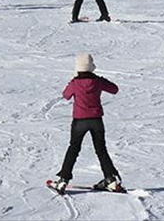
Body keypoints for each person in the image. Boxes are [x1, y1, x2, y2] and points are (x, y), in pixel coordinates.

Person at [48, 53, 122, 194]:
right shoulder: (98, 81)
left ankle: (63, 180)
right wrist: (101, 81)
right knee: (101, 150)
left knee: (73, 149)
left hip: (79, 121)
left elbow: (65, 95)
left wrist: (73, 82)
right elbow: (114, 89)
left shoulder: (75, 83)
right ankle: (111, 180)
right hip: (96, 121)